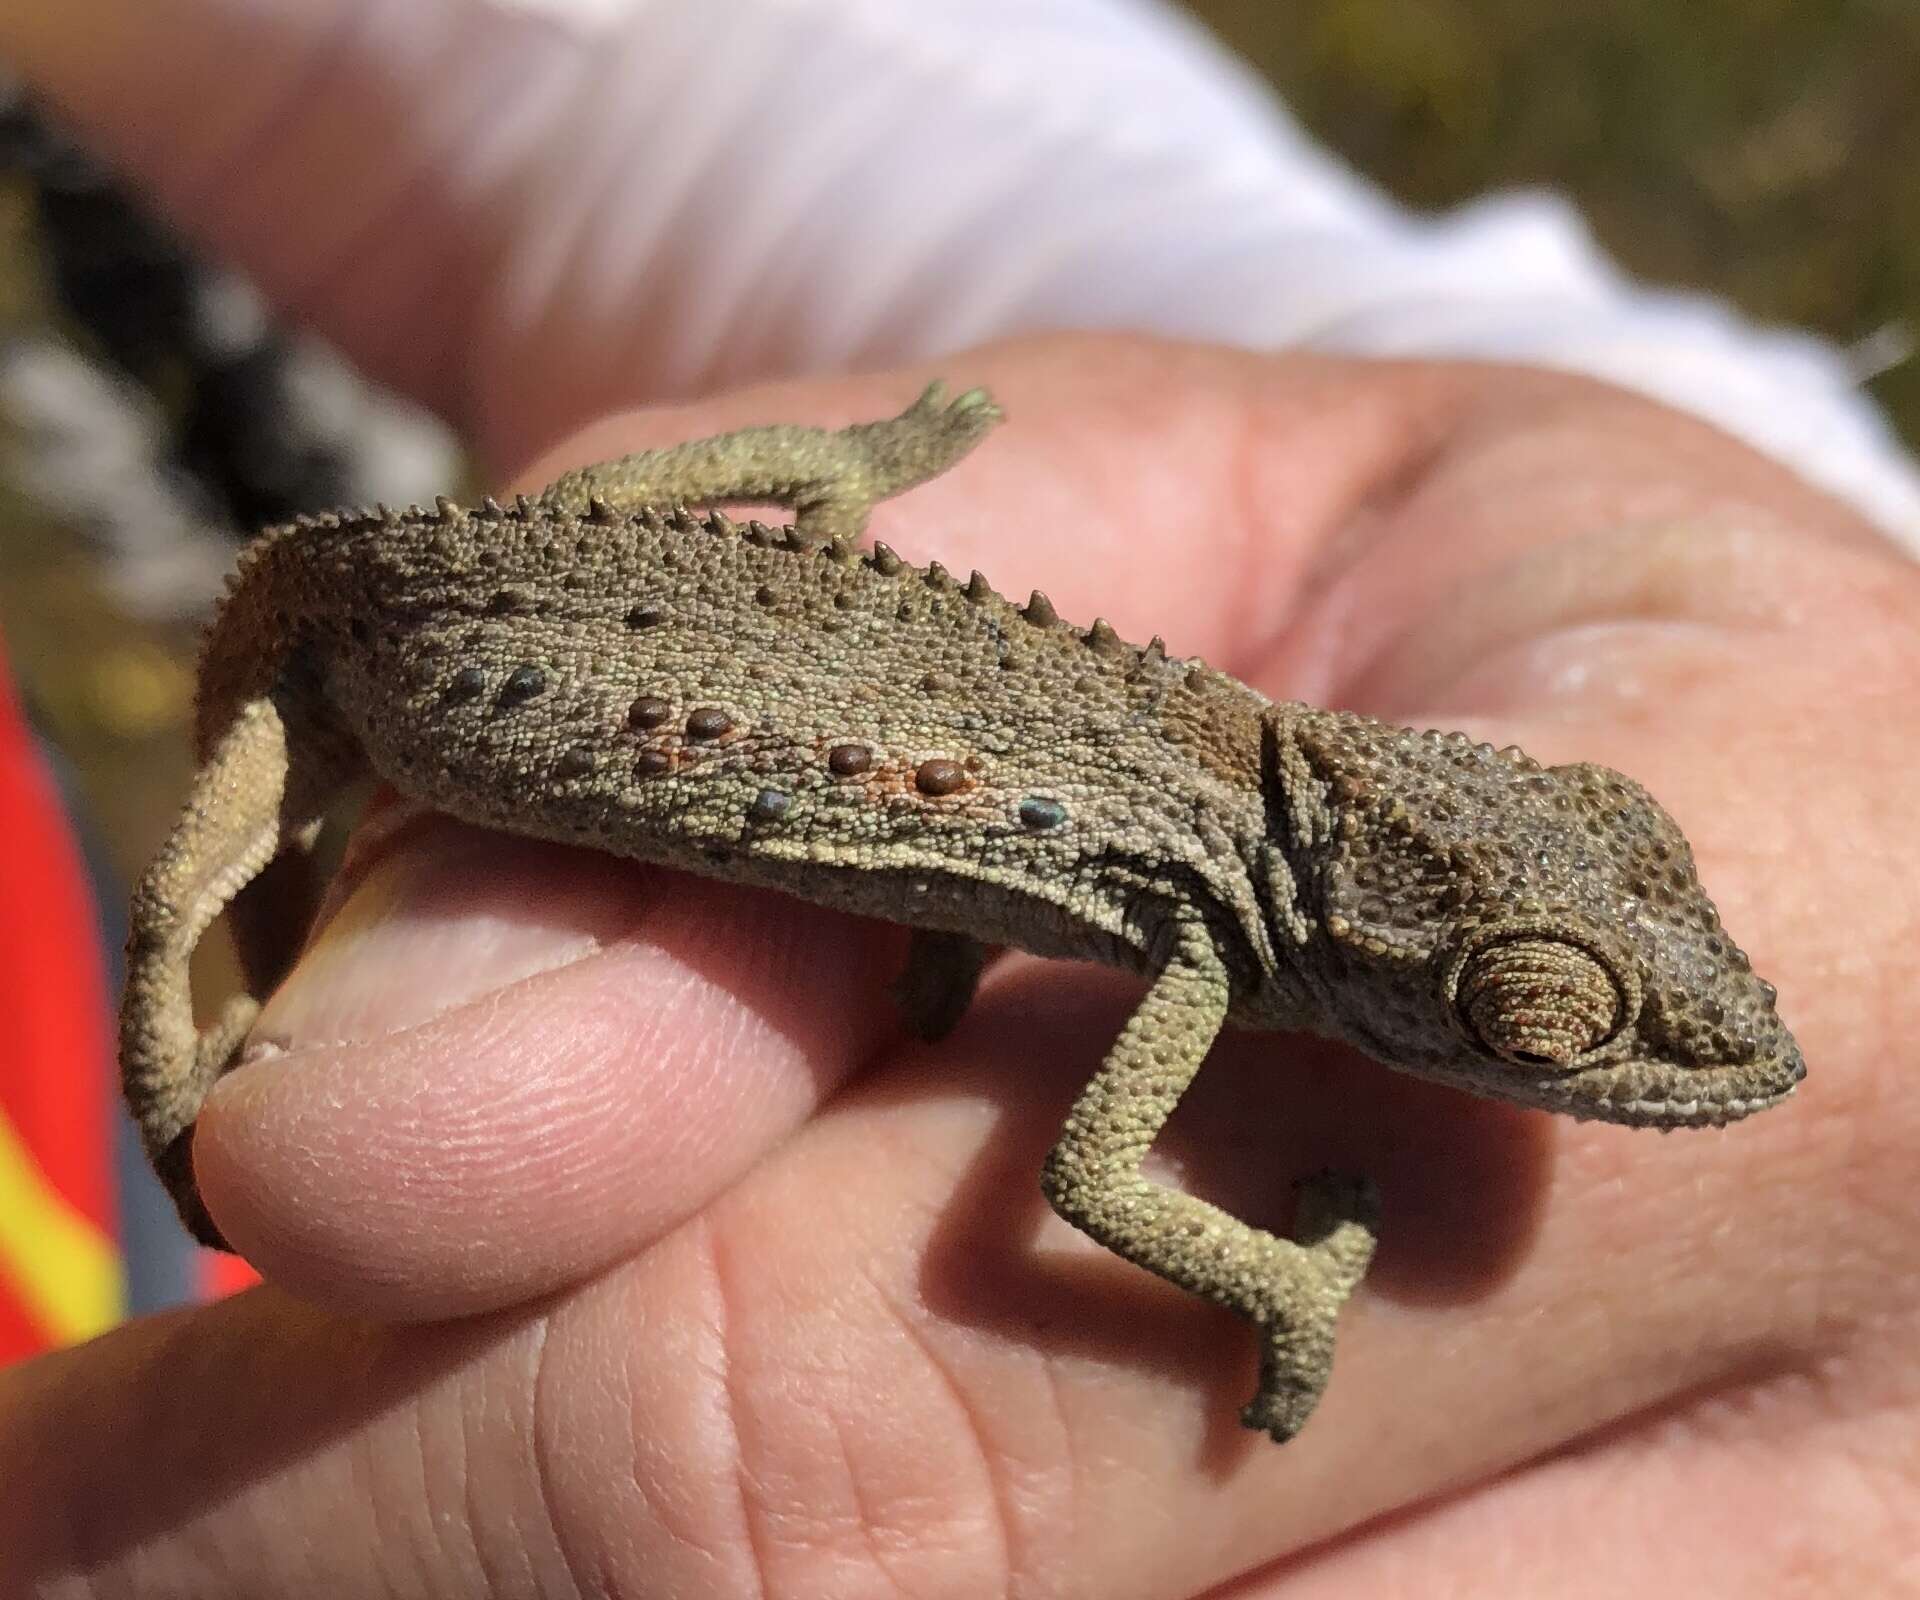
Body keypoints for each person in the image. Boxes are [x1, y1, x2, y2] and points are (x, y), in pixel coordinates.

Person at [3, 1, 1916, 1593]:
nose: (1575, 1061)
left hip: (467, 626)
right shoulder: (1190, 933)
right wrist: (1282, 1279)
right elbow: (1087, 1180)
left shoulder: (1200, 852)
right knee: (188, 966)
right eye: (1544, 1018)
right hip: (398, 668)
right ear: (1384, 955)